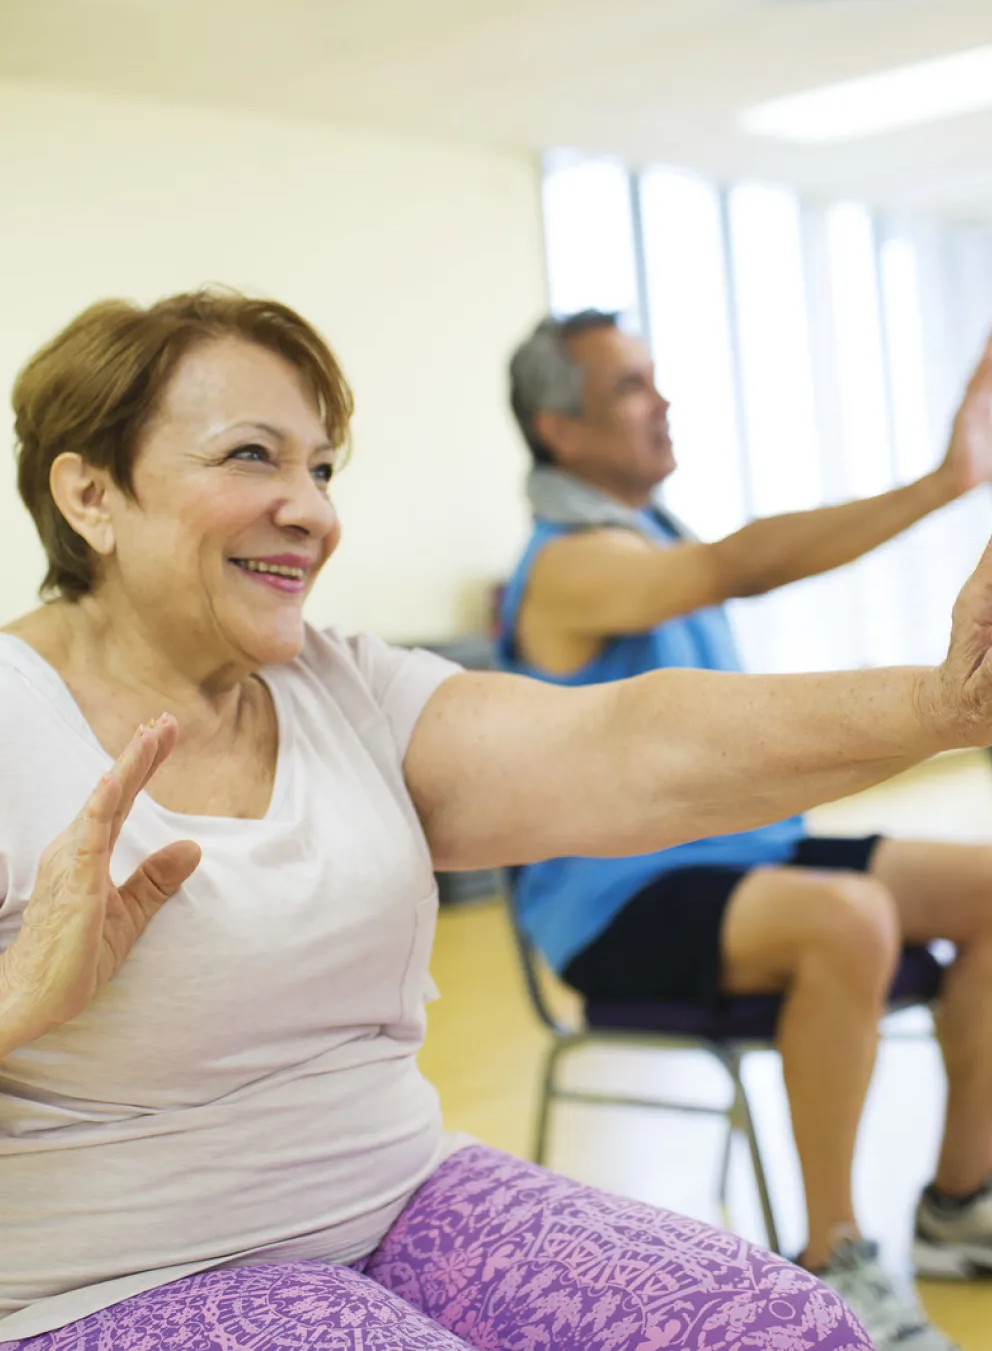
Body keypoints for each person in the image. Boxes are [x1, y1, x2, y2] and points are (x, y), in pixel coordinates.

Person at [1, 296, 990, 1351]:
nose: (311, 511)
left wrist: (943, 705)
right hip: (108, 1277)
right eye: (252, 456)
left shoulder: (344, 685)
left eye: (322, 469)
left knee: (779, 1325)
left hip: (400, 1196)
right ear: (90, 492)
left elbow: (624, 743)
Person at [498, 309, 992, 1351]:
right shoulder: (568, 564)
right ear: (560, 429)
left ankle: (957, 1204)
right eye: (630, 384)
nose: (661, 399)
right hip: (614, 899)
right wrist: (939, 483)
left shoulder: (648, 536)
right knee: (847, 917)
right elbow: (733, 566)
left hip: (742, 856)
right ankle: (831, 1254)